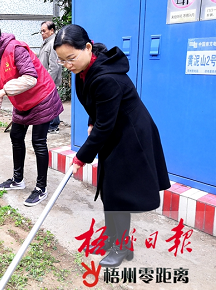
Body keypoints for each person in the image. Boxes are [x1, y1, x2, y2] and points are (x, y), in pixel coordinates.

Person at [53, 24, 170, 267]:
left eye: (71, 58)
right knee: (109, 190)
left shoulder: (106, 77)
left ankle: (122, 248)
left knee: (118, 194)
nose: (68, 65)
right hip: (114, 130)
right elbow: (97, 107)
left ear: (87, 47)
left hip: (130, 135)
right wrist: (91, 120)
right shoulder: (85, 70)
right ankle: (112, 239)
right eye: (63, 61)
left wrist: (80, 157)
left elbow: (105, 126)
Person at [0, 24, 63, 207]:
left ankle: (41, 188)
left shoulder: (16, 49)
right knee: (16, 136)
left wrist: (4, 91)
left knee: (39, 142)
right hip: (22, 101)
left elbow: (30, 77)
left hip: (42, 97)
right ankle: (17, 179)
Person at [38, 21, 62, 134]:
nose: (42, 33)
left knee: (51, 102)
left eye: (44, 31)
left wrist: (49, 82)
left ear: (51, 30)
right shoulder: (46, 43)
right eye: (41, 31)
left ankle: (53, 125)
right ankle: (52, 124)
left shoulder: (53, 43)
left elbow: (54, 65)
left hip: (49, 79)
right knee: (50, 102)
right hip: (44, 79)